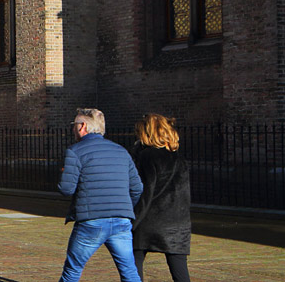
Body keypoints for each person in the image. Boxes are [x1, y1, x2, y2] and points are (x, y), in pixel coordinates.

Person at [57, 108, 143, 282]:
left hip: (91, 221)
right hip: (121, 220)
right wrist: (122, 207)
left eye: (74, 125)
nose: (72, 129)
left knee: (72, 270)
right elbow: (137, 187)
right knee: (129, 271)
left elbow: (66, 188)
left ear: (82, 127)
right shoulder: (121, 151)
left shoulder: (75, 151)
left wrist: (63, 174)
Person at [131, 114, 192, 282]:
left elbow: (146, 192)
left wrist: (132, 222)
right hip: (177, 223)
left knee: (134, 265)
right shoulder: (180, 159)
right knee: (180, 272)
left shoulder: (147, 156)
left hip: (150, 220)